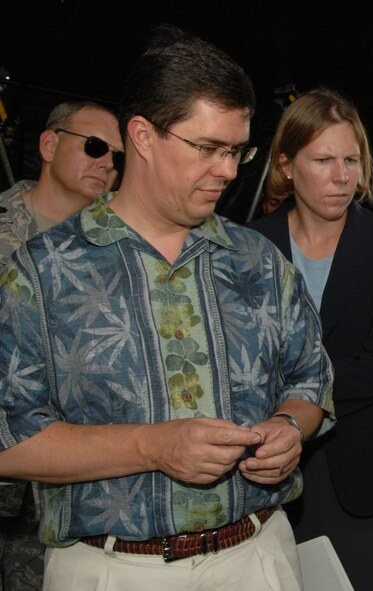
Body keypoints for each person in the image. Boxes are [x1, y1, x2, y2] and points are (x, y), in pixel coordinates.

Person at [0, 25, 334, 591]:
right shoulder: (41, 271)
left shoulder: (258, 259)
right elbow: (10, 438)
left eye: (237, 151)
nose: (229, 171)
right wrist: (153, 446)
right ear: (144, 137)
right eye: (208, 148)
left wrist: (287, 428)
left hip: (257, 557)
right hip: (111, 570)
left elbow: (312, 380)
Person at [248, 87, 373, 591]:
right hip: (274, 476)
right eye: (324, 159)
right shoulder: (250, 246)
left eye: (351, 159)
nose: (342, 176)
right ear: (286, 164)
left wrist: (291, 407)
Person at [0, 100, 122, 591]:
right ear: (49, 145)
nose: (107, 163)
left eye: (117, 156)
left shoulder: (119, 248)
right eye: (94, 147)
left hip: (75, 488)